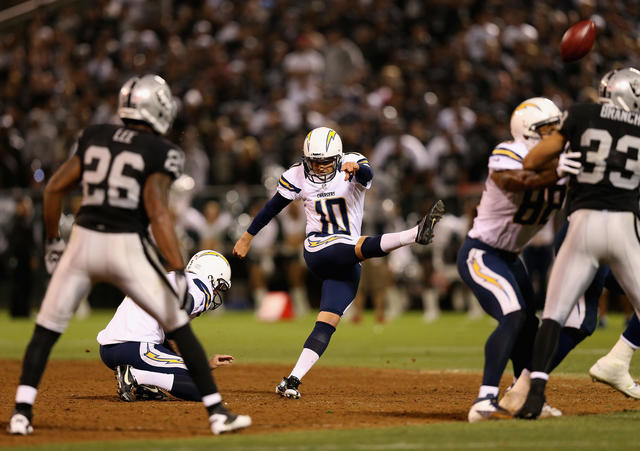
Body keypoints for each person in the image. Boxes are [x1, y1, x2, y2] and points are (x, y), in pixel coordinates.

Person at [7, 74, 250, 436]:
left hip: (84, 241)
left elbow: (54, 189)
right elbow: (157, 212)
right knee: (179, 327)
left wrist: (54, 242)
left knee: (46, 329)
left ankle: (22, 413)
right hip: (124, 243)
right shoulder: (161, 151)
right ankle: (217, 413)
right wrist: (175, 266)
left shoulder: (95, 135)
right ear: (160, 108)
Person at [233, 126, 444, 399]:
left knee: (327, 322)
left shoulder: (352, 163)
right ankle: (414, 234)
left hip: (347, 257)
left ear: (338, 156)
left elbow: (368, 175)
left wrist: (357, 168)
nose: (320, 168)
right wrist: (247, 237)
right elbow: (271, 208)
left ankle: (292, 379)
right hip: (319, 248)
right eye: (315, 162)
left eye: (325, 161)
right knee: (352, 246)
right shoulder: (296, 175)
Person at [516, 67, 640, 419]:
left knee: (553, 315)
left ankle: (532, 396)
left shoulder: (582, 114)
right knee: (581, 318)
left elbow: (532, 160)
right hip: (624, 226)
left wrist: (564, 163)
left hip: (581, 223)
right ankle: (618, 358)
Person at [456, 97, 582, 423]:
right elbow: (513, 181)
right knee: (512, 315)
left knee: (530, 325)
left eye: (559, 126)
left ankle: (518, 394)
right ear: (527, 131)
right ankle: (484, 400)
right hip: (481, 252)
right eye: (547, 128)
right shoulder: (508, 152)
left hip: (512, 257)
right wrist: (553, 174)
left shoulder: (565, 160)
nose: (556, 133)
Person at [98, 250, 235, 402]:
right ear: (211, 276)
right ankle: (137, 376)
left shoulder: (170, 277)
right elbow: (176, 317)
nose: (216, 292)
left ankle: (146, 384)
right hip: (136, 347)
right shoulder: (200, 287)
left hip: (108, 350)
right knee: (205, 389)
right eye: (219, 286)